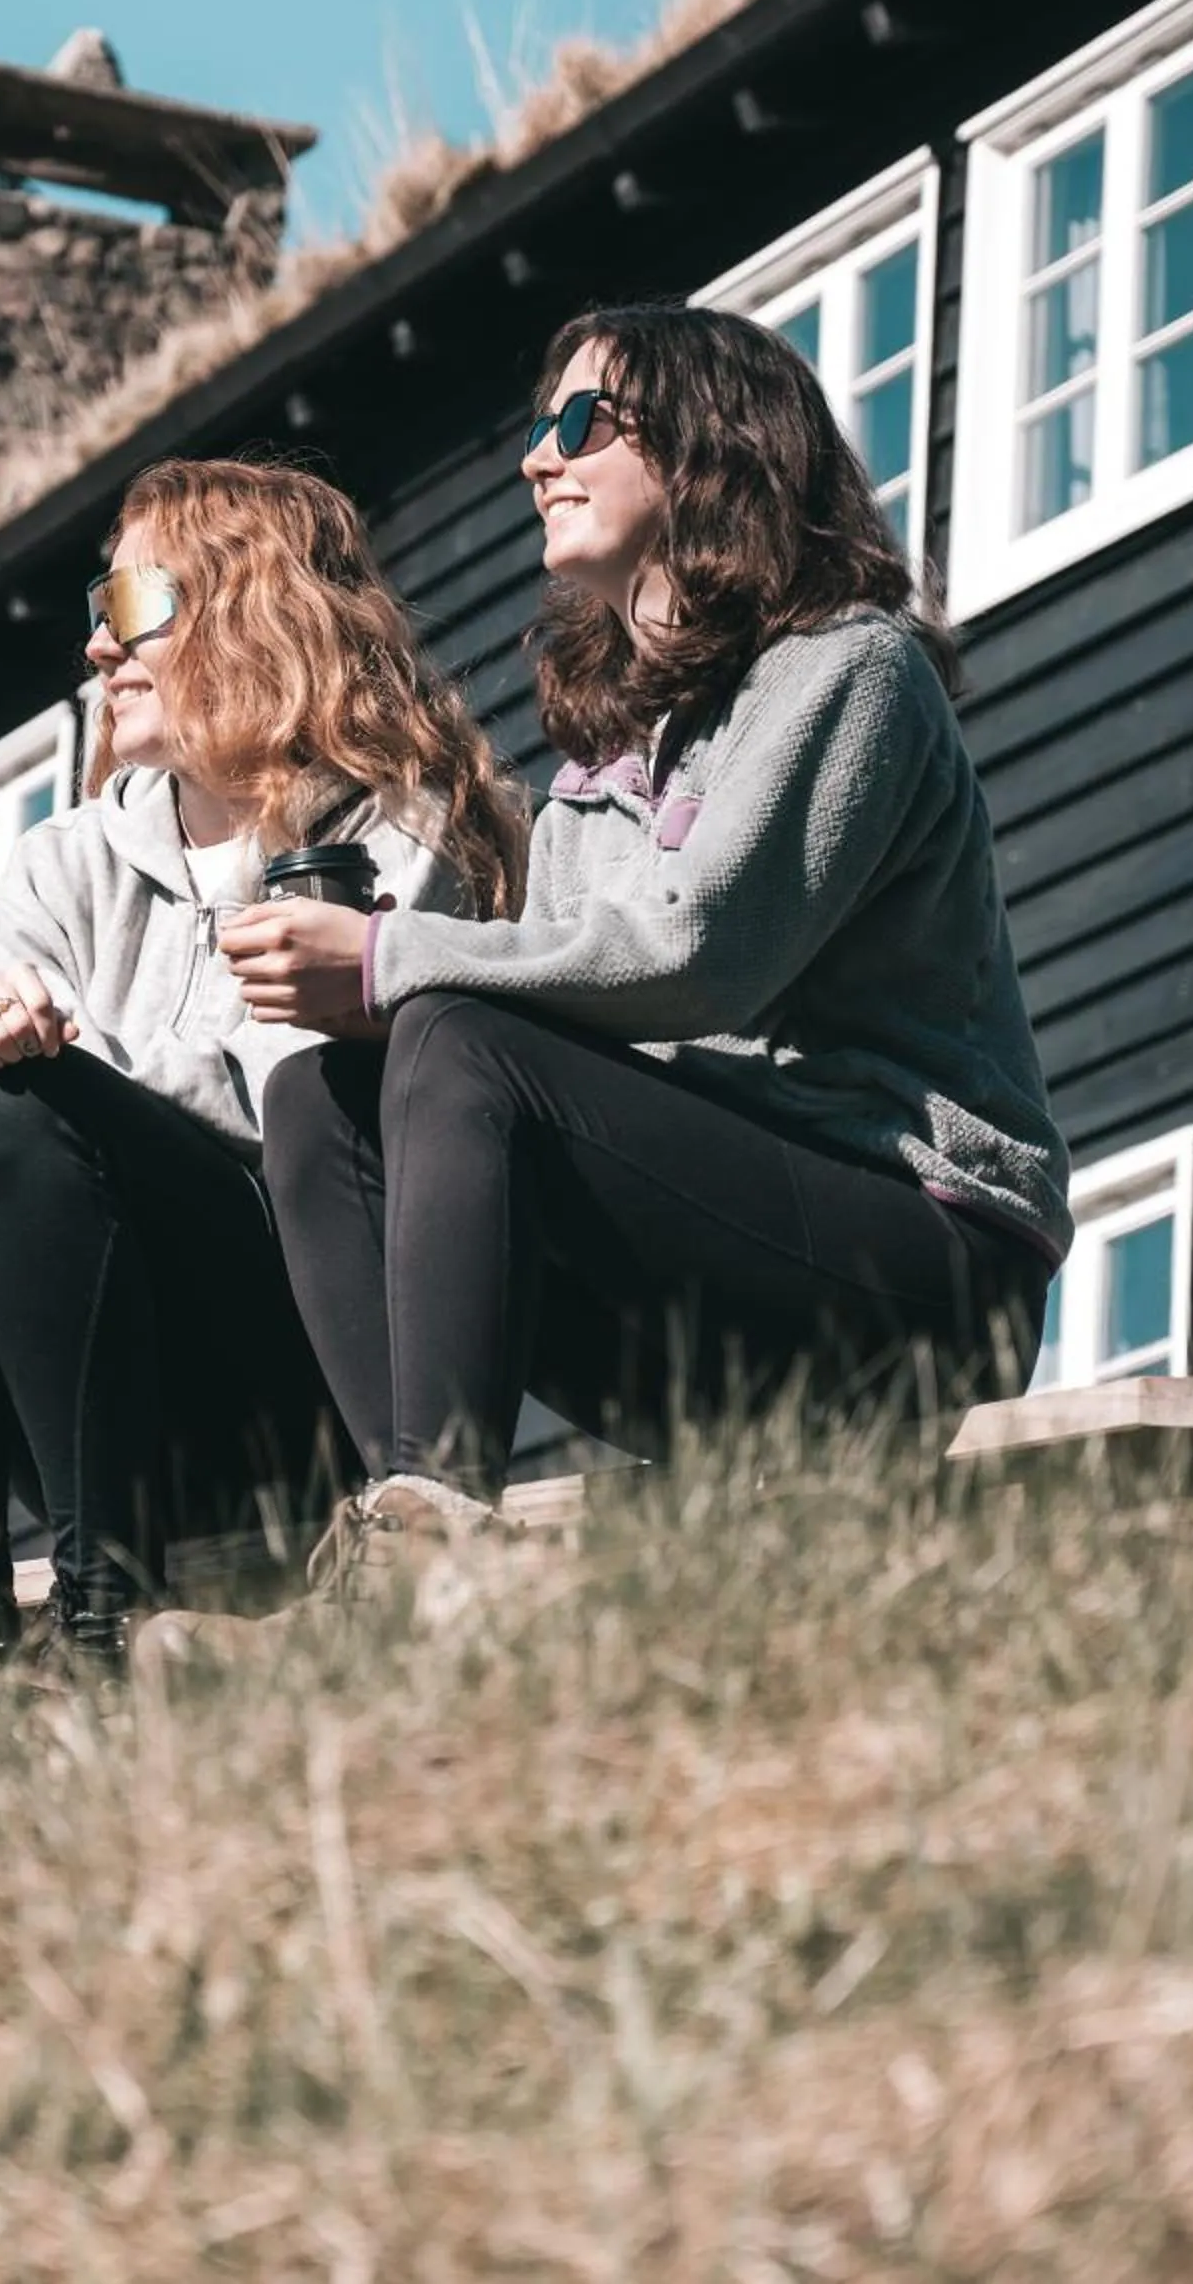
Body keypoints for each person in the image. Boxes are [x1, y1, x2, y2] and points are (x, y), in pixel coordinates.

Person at [223, 303, 1071, 1575]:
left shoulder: (849, 670)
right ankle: (404, 1538)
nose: (536, 460)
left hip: (923, 1259)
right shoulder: (605, 766)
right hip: (729, 1247)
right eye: (534, 431)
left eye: (579, 421)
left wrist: (389, 960)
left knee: (451, 1028)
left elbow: (697, 954)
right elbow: (564, 1016)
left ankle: (437, 1533)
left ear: (706, 447)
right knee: (322, 1100)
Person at [0, 457, 529, 1663]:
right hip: (79, 1381)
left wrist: (58, 1047)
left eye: (133, 608)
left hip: (287, 1375)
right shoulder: (68, 856)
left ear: (253, 612)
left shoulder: (390, 836)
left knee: (33, 1097)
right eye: (97, 616)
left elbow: (294, 1108)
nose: (98, 649)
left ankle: (99, 1617)